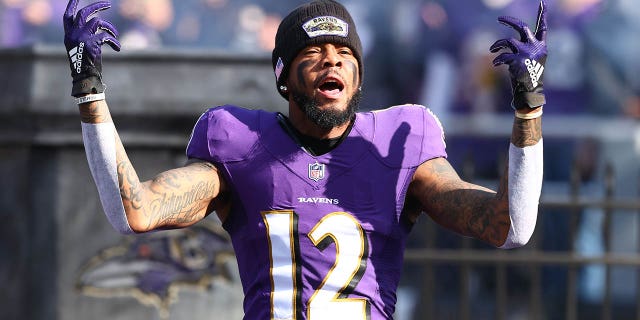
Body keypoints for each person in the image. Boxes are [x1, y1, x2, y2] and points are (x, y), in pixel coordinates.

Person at [63, 0, 547, 318]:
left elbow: (511, 227)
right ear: (283, 76)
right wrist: (90, 94)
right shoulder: (241, 142)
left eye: (342, 52)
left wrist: (528, 109)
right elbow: (136, 211)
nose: (331, 60)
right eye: (312, 52)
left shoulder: (403, 140)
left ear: (358, 76)